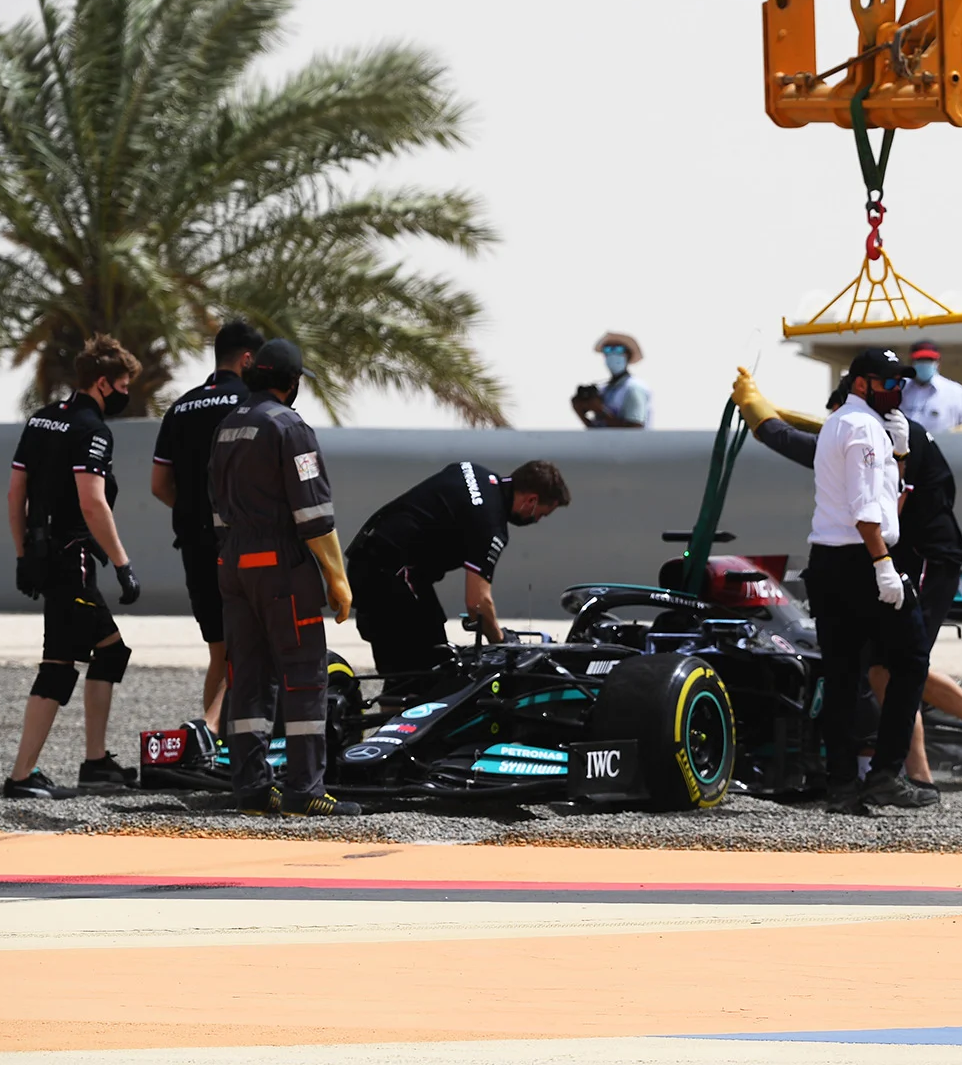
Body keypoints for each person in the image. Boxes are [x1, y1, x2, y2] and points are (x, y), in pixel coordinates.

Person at [731, 366, 962, 795]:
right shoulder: (873, 426)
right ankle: (919, 776)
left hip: (926, 558)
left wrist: (759, 415)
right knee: (882, 671)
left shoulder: (881, 435)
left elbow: (803, 444)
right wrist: (765, 409)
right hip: (897, 556)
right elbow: (817, 434)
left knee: (898, 667)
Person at [209, 338, 356, 816]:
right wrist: (337, 578)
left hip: (232, 565)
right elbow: (313, 515)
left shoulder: (227, 426)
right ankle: (304, 791)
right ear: (291, 383)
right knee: (303, 675)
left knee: (247, 677)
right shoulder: (289, 426)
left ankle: (251, 787)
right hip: (278, 567)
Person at [803, 347, 945, 811]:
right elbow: (867, 510)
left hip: (831, 560)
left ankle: (842, 785)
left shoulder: (843, 423)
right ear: (861, 383)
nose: (897, 390)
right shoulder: (863, 428)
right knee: (911, 660)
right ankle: (885, 773)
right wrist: (883, 564)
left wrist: (900, 455)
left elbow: (887, 504)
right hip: (861, 561)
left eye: (900, 382)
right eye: (887, 382)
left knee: (843, 674)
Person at [3, 336, 145, 797]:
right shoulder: (92, 430)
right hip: (73, 561)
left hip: (44, 556)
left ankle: (96, 762)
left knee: (106, 652)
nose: (126, 393)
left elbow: (15, 494)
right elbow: (92, 501)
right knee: (60, 666)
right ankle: (22, 777)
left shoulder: (42, 420)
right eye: (123, 385)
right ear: (103, 384)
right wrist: (123, 565)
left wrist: (23, 554)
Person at [346, 460, 571, 691]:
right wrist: (502, 642)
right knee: (427, 673)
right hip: (389, 575)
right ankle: (400, 721)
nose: (536, 520)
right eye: (541, 515)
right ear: (531, 501)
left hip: (369, 559)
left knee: (411, 670)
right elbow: (478, 604)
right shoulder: (490, 525)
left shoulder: (472, 470)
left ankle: (382, 716)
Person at [152, 319, 262, 735]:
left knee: (220, 650)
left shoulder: (180, 406)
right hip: (237, 542)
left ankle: (209, 749)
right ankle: (212, 731)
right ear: (248, 358)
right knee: (247, 644)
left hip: (193, 542)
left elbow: (159, 485)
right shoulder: (253, 402)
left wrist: (194, 508)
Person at [899, 342, 962, 434]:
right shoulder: (899, 388)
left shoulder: (955, 391)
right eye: (921, 360)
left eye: (929, 360)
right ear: (911, 362)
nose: (925, 364)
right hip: (903, 446)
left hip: (942, 446)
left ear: (938, 363)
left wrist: (952, 433)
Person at [572, 332, 651, 428]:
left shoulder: (634, 388)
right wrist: (581, 412)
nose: (613, 354)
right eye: (608, 349)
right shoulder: (604, 389)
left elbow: (635, 428)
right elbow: (599, 430)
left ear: (628, 355)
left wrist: (600, 410)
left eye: (618, 349)